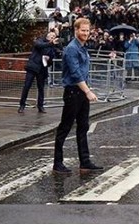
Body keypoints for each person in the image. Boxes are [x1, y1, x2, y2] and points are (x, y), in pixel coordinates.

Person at [53, 18, 103, 175]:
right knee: (65, 128)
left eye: (88, 31)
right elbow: (75, 73)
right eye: (83, 30)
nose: (86, 33)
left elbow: (83, 72)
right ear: (76, 30)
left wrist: (86, 90)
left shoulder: (82, 48)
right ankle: (57, 163)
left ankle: (85, 162)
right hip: (73, 92)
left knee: (83, 127)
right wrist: (87, 91)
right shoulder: (72, 49)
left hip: (81, 92)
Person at [18, 31, 58, 114]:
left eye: (54, 36)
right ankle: (22, 105)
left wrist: (49, 59)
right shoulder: (40, 40)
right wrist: (50, 43)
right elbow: (38, 45)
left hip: (42, 69)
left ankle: (40, 106)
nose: (52, 36)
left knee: (41, 88)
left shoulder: (52, 47)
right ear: (47, 35)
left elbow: (52, 58)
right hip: (33, 67)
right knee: (27, 86)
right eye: (51, 35)